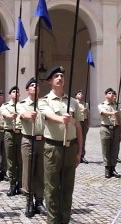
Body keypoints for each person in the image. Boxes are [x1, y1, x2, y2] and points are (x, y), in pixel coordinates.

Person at [38, 66, 83, 224]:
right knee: (52, 189)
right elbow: (48, 115)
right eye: (56, 76)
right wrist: (60, 119)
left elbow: (77, 127)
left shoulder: (73, 103)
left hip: (70, 148)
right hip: (53, 148)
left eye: (62, 75)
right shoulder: (44, 101)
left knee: (67, 188)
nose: (60, 78)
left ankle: (65, 220)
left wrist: (79, 151)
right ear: (50, 80)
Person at [17, 77, 46, 217]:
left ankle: (39, 201)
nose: (35, 87)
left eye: (37, 85)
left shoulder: (44, 104)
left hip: (43, 140)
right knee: (28, 171)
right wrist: (29, 115)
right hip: (28, 140)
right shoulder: (22, 104)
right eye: (32, 85)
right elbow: (22, 114)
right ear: (27, 90)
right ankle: (29, 201)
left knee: (41, 172)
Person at [0, 86, 23, 196]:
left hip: (21, 133)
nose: (16, 93)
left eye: (17, 91)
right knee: (11, 160)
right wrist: (11, 116)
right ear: (10, 94)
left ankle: (20, 183)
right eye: (13, 91)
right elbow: (5, 115)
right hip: (10, 133)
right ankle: (12, 184)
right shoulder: (5, 106)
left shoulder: (23, 105)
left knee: (20, 160)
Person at [98, 88, 121, 178]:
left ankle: (113, 168)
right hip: (106, 128)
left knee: (115, 149)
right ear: (106, 95)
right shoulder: (102, 105)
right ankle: (107, 168)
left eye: (113, 93)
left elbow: (120, 119)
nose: (111, 94)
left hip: (115, 128)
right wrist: (112, 113)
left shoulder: (117, 106)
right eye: (109, 93)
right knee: (106, 149)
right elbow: (103, 112)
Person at [75, 90, 90, 164]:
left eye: (82, 94)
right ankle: (76, 154)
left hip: (84, 121)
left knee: (83, 139)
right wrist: (81, 110)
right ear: (76, 96)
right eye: (79, 94)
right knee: (77, 138)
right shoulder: (75, 103)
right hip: (78, 122)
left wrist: (88, 123)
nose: (81, 95)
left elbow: (88, 114)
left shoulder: (85, 104)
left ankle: (82, 155)